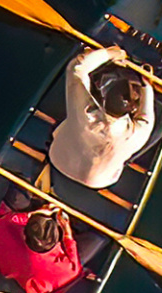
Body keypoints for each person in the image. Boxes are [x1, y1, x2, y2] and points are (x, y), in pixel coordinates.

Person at [49, 45, 155, 189]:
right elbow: (147, 115)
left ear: (104, 100)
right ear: (132, 109)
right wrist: (147, 84)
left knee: (76, 95)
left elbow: (76, 69)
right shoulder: (137, 134)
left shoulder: (86, 114)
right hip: (99, 181)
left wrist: (108, 53)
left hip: (58, 157)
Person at [0, 203, 98, 293]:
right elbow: (69, 240)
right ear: (56, 240)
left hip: (27, 283)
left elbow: (6, 221)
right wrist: (66, 227)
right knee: (98, 237)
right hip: (53, 283)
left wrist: (35, 214)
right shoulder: (71, 269)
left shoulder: (2, 230)